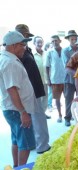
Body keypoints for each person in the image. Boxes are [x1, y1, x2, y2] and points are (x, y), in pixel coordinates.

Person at [0, 31, 36, 166]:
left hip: (12, 109)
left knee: (16, 140)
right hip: (17, 110)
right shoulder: (10, 63)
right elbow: (12, 89)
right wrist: (23, 112)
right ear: (13, 46)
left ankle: (16, 168)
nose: (24, 48)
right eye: (22, 45)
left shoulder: (7, 59)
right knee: (25, 144)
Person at [16, 24, 51, 154]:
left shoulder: (26, 49)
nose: (26, 38)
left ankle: (41, 144)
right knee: (37, 119)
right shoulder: (18, 53)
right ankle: (42, 146)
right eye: (24, 35)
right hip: (29, 91)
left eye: (26, 35)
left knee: (38, 118)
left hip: (36, 89)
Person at [45, 35, 65, 123]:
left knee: (69, 98)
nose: (54, 43)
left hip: (66, 79)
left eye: (56, 41)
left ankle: (69, 114)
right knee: (57, 99)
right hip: (55, 79)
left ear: (60, 41)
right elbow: (47, 67)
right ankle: (60, 115)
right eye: (52, 41)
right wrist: (48, 80)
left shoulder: (65, 51)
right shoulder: (50, 52)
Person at [62, 30, 78, 127]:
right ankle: (67, 118)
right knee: (69, 99)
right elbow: (67, 66)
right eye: (72, 39)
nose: (74, 40)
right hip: (69, 80)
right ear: (68, 39)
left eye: (75, 39)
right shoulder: (65, 51)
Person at [32, 36, 51, 119]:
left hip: (46, 80)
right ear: (34, 43)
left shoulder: (46, 54)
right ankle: (38, 115)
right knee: (38, 100)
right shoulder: (32, 54)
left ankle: (42, 113)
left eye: (41, 42)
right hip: (37, 81)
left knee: (45, 98)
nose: (40, 44)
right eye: (38, 42)